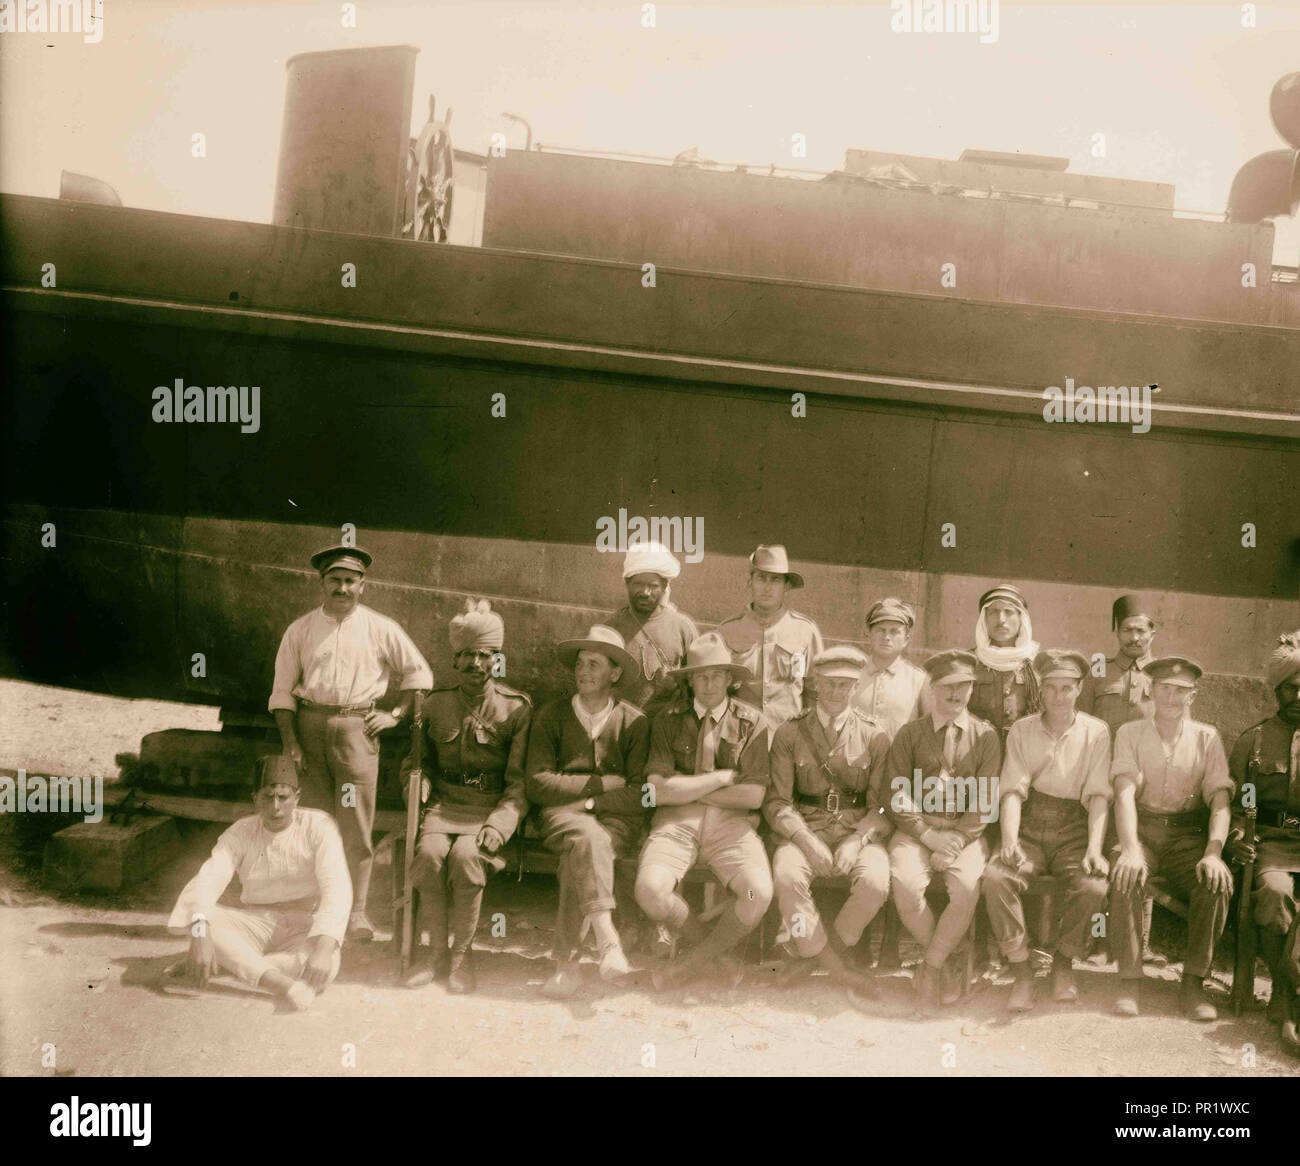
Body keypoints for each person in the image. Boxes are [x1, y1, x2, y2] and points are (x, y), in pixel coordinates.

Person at [269, 544, 432, 942]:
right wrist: (291, 742)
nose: (342, 588)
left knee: (356, 825)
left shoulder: (381, 628)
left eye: (350, 581)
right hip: (310, 727)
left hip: (359, 731)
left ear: (362, 584)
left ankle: (357, 913)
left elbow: (420, 676)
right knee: (314, 822)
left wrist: (393, 715)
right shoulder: (301, 629)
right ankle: (319, 908)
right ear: (321, 583)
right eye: (334, 581)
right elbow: (282, 693)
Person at [400, 600, 531, 994]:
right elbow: (414, 763)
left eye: (484, 656)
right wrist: (415, 783)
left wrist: (501, 823)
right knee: (428, 856)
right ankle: (434, 954)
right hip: (445, 806)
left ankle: (461, 956)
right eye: (467, 656)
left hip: (489, 808)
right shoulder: (435, 705)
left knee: (465, 857)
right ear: (455, 661)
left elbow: (521, 782)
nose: (476, 664)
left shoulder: (515, 709)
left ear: (497, 661)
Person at [635, 632, 772, 991]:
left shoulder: (752, 722)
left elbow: (754, 796)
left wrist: (689, 789)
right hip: (676, 824)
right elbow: (655, 791)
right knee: (650, 889)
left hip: (731, 826)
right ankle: (715, 955)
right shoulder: (667, 719)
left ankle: (690, 963)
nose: (709, 683)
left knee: (758, 893)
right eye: (700, 675)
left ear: (730, 679)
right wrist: (722, 778)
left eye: (716, 675)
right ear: (690, 679)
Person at [165, 756, 351, 1010]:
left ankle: (230, 965)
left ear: (297, 797)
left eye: (283, 797)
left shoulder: (319, 826)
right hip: (255, 923)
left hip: (303, 925)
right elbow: (208, 878)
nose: (275, 807)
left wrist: (323, 950)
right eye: (267, 797)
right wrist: (200, 932)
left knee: (325, 967)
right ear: (255, 799)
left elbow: (337, 888)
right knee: (205, 924)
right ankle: (284, 985)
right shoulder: (241, 831)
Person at [981, 650, 1112, 1011]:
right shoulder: (1022, 729)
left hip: (1075, 828)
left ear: (1079, 689)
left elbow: (1099, 795)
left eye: (1066, 688)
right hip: (1028, 824)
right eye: (1050, 687)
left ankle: (1064, 963)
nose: (1058, 696)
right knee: (996, 877)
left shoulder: (1096, 732)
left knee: (1094, 885)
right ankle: (1021, 966)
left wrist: (1094, 849)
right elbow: (1011, 791)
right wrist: (1009, 841)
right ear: (1041, 689)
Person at [525, 625, 650, 999]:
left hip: (612, 819)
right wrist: (597, 785)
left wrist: (590, 803)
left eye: (595, 664)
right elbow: (537, 783)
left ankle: (567, 967)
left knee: (578, 857)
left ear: (615, 674)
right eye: (580, 664)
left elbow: (641, 794)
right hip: (561, 816)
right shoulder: (552, 716)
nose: (584, 671)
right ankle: (608, 940)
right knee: (587, 840)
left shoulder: (634, 722)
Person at [1108, 657, 1234, 1020]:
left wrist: (1213, 852)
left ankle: (1194, 983)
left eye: (1181, 691)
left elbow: (1220, 799)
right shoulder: (1130, 733)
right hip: (1142, 828)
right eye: (1165, 688)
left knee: (1215, 883)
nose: (1172, 697)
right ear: (1151, 689)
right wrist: (1131, 848)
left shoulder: (1207, 737)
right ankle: (1129, 980)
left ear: (1192, 696)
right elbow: (1124, 794)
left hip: (1185, 836)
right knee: (1124, 871)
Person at [765, 645, 891, 1000]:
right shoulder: (790, 733)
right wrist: (806, 841)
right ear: (816, 682)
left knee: (876, 882)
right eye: (831, 683)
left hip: (858, 830)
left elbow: (882, 807)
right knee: (787, 876)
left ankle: (814, 953)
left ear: (856, 687)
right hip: (805, 826)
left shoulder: (875, 736)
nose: (837, 692)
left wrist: (858, 839)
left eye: (846, 685)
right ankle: (832, 961)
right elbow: (777, 802)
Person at [886, 650, 1001, 1011]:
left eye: (964, 685)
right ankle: (950, 958)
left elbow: (983, 802)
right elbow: (896, 794)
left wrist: (953, 843)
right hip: (917, 830)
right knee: (905, 885)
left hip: (964, 834)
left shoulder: (985, 736)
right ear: (932, 688)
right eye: (948, 686)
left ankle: (932, 967)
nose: (956, 694)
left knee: (967, 888)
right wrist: (927, 835)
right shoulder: (910, 733)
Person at [1226, 631, 1300, 1046]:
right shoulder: (1253, 740)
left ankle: (1287, 998)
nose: (1299, 693)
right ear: (1277, 688)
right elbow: (1240, 803)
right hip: (1271, 844)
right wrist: (1237, 835)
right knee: (1273, 895)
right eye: (1291, 686)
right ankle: (1288, 992)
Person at [718, 545, 824, 739]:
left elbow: (815, 692)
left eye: (775, 580)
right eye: (761, 578)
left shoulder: (805, 631)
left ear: (787, 587)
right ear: (750, 583)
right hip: (739, 736)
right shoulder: (728, 631)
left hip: (788, 738)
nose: (767, 587)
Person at [607, 542, 700, 720]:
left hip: (668, 729)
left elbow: (696, 681)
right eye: (638, 584)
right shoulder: (612, 628)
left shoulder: (683, 627)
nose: (645, 592)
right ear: (627, 583)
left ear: (665, 586)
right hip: (622, 730)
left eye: (654, 585)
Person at [851, 597, 931, 740]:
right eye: (880, 630)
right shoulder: (851, 674)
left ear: (906, 639)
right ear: (869, 634)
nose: (887, 637)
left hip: (899, 761)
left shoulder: (919, 681)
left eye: (894, 632)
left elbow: (929, 732)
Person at [970, 584, 1041, 743]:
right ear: (984, 619)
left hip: (1024, 751)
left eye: (1008, 612)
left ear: (1021, 618)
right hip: (979, 752)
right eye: (994, 612)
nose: (1001, 620)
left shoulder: (1037, 663)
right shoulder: (968, 662)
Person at [1081, 594, 1157, 737]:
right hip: (1104, 756)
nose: (1134, 638)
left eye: (1141, 631)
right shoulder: (1099, 668)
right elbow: (1080, 721)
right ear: (1117, 633)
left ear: (1152, 635)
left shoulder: (1162, 672)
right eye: (1127, 630)